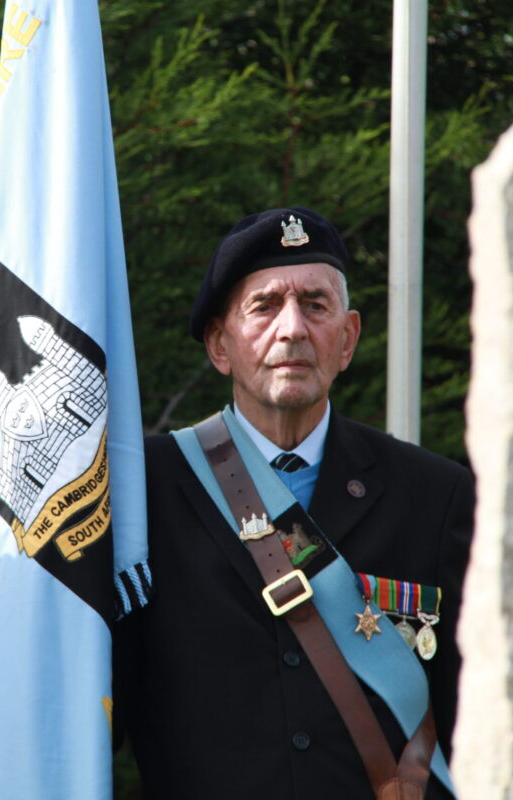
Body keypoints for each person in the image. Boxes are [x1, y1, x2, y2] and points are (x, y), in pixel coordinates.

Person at [114, 207, 473, 799]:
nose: (293, 329)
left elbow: (474, 712)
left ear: (348, 338)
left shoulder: (433, 495)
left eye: (315, 304)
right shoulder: (143, 490)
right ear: (219, 345)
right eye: (264, 306)